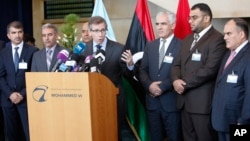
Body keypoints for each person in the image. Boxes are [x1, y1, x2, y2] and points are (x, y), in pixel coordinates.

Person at [171, 3, 227, 141]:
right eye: (189, 18)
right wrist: (175, 80)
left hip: (202, 105)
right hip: (183, 103)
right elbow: (175, 64)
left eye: (194, 17)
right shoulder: (187, 39)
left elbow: (209, 69)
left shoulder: (217, 39)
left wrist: (182, 84)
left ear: (206, 18)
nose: (189, 21)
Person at [81, 16, 129, 141]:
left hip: (114, 99)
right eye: (96, 31)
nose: (100, 34)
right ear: (90, 32)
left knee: (114, 133)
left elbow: (128, 75)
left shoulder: (119, 48)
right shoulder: (83, 50)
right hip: (90, 99)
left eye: (103, 30)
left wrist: (130, 65)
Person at [138, 11, 182, 141]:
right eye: (157, 24)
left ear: (173, 25)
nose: (159, 27)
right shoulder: (151, 45)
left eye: (163, 23)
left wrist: (162, 87)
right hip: (152, 103)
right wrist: (150, 85)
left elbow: (182, 72)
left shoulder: (182, 45)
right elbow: (142, 70)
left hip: (171, 103)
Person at [211, 18, 250, 141]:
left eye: (229, 34)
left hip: (239, 123)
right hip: (222, 121)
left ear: (241, 34)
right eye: (224, 34)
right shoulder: (228, 54)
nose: (225, 37)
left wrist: (243, 121)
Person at [0, 21, 38, 141]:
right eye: (14, 32)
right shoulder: (2, 53)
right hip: (7, 100)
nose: (17, 35)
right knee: (10, 135)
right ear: (8, 35)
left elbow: (35, 76)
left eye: (20, 32)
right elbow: (0, 76)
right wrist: (10, 94)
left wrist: (22, 94)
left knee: (29, 134)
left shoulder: (33, 51)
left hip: (26, 99)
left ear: (23, 33)